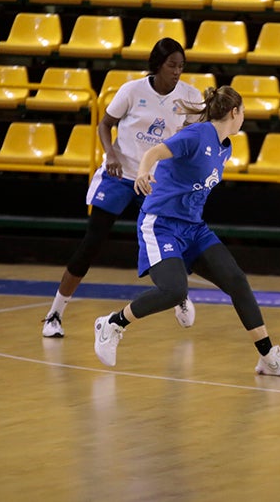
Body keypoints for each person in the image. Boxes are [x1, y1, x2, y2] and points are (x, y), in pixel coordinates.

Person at [92, 85, 280, 377]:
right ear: (234, 112)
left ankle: (267, 356)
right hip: (162, 224)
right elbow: (154, 151)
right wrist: (142, 172)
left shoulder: (224, 146)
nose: (244, 119)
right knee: (174, 290)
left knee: (237, 281)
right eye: (243, 113)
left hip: (194, 228)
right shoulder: (197, 135)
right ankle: (112, 323)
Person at [41, 38, 203, 338]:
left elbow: (193, 136)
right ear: (157, 65)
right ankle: (54, 314)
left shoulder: (189, 97)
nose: (177, 71)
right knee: (92, 243)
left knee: (169, 243)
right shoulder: (132, 90)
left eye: (181, 66)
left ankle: (178, 294)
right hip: (120, 173)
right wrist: (110, 154)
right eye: (171, 65)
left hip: (155, 181)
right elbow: (105, 123)